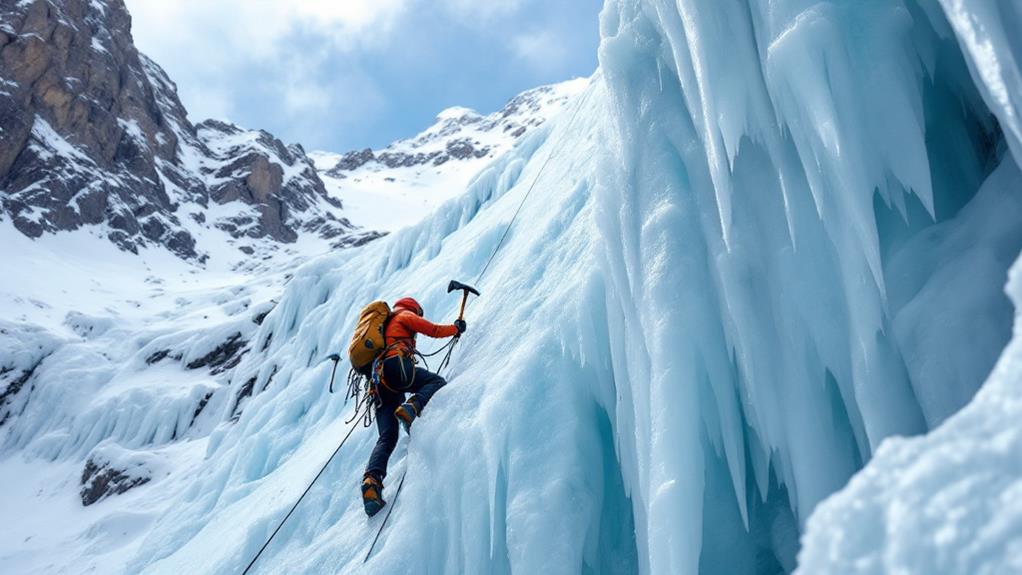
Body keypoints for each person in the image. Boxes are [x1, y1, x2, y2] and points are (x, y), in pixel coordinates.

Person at [361, 296, 466, 517]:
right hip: (396, 367)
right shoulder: (404, 315)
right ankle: (412, 407)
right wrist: (455, 329)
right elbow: (432, 329)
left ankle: (372, 482)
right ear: (413, 309)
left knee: (387, 437)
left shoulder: (383, 326)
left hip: (378, 384)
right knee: (435, 382)